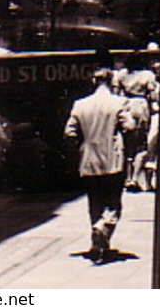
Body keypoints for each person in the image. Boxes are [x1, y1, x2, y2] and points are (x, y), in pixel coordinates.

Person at [64, 69, 139, 264]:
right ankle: (104, 227)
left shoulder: (80, 104)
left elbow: (69, 132)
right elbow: (130, 127)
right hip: (112, 158)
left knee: (94, 201)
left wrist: (81, 144)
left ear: (93, 81)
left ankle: (98, 245)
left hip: (89, 159)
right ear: (111, 80)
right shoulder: (119, 102)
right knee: (113, 203)